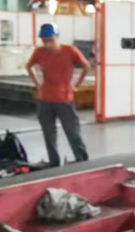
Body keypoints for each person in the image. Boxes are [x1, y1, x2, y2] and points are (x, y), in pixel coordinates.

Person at [27, 23, 91, 167]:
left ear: (57, 37)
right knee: (49, 133)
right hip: (45, 99)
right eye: (44, 41)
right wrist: (38, 84)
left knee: (72, 131)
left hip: (64, 99)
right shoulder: (39, 52)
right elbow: (29, 66)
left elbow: (86, 66)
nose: (48, 44)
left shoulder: (70, 51)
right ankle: (54, 161)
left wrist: (77, 85)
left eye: (50, 40)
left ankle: (81, 159)